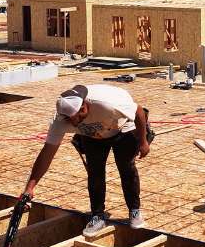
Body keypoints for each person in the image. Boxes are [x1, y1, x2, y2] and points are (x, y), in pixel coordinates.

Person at [23, 84, 150, 237]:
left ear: (85, 104)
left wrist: (143, 142)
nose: (77, 120)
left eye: (81, 113)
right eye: (72, 119)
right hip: (93, 134)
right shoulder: (60, 121)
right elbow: (47, 153)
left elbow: (139, 112)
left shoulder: (108, 104)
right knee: (95, 172)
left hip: (123, 126)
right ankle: (97, 216)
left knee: (126, 167)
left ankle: (134, 211)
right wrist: (30, 187)